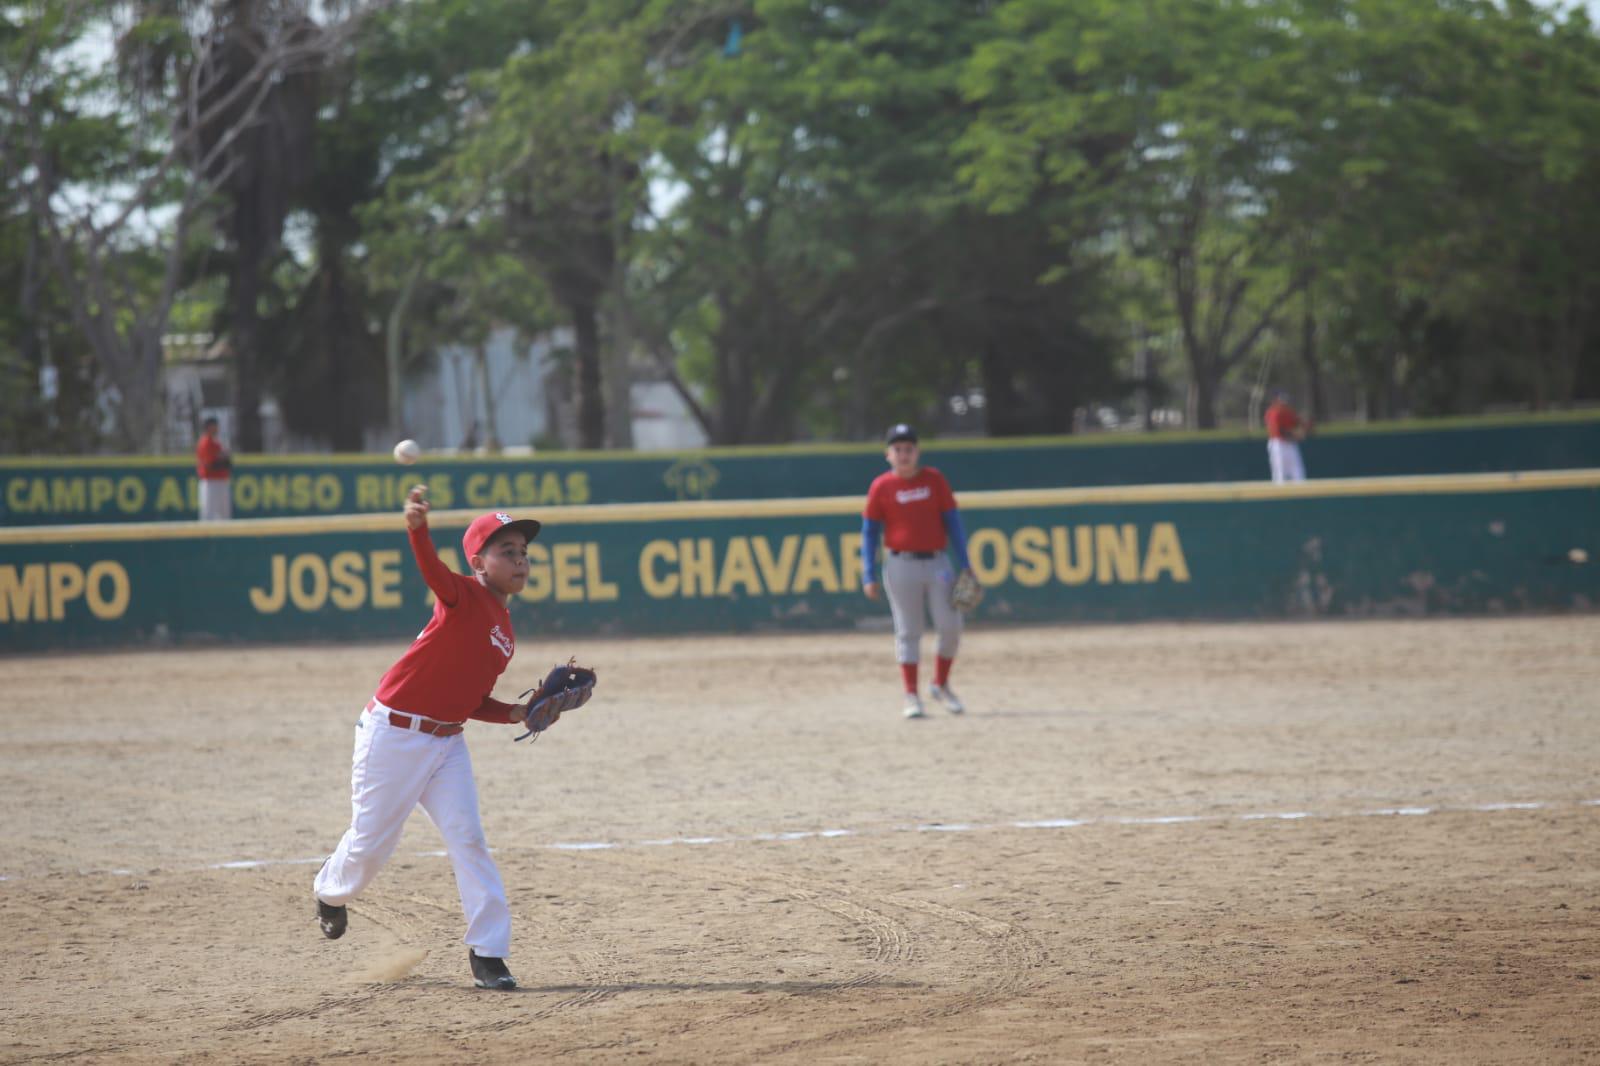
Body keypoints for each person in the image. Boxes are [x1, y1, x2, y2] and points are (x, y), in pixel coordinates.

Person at [313, 485, 558, 991]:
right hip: (394, 734)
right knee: (369, 846)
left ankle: (488, 954)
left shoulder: (505, 631)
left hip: (447, 744)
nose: (519, 560)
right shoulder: (462, 595)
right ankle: (330, 892)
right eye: (505, 551)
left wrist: (515, 712)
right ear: (478, 563)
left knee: (469, 839)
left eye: (524, 553)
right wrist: (417, 526)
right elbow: (431, 570)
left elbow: (471, 699)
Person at [860, 423, 976, 719]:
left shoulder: (934, 480)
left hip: (938, 562)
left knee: (951, 625)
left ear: (917, 452)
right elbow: (869, 532)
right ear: (888, 454)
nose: (903, 454)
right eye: (897, 449)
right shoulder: (881, 486)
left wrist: (966, 563)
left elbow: (953, 523)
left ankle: (940, 683)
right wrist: (868, 573)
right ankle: (911, 695)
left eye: (908, 449)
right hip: (900, 564)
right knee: (908, 629)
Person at [1264, 391, 1309, 483]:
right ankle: (1279, 495)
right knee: (1280, 473)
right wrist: (1295, 433)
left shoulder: (1288, 412)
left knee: (1298, 471)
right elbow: (1278, 431)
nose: (1284, 402)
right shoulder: (1273, 412)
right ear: (1276, 400)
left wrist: (1303, 427)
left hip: (1290, 444)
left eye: (1285, 400)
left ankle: (1302, 494)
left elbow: (1300, 424)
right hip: (1278, 444)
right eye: (1281, 400)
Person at [195, 417, 232, 521]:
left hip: (222, 480)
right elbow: (211, 465)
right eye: (213, 426)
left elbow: (228, 464)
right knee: (208, 515)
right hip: (210, 482)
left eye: (216, 426)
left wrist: (223, 459)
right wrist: (222, 459)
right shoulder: (205, 442)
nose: (216, 428)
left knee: (225, 515)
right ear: (207, 427)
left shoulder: (218, 443)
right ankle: (205, 536)